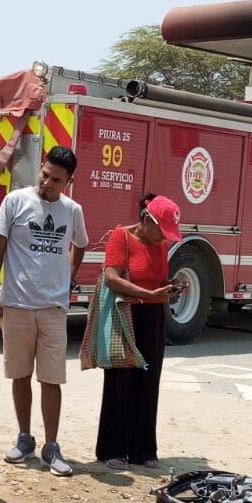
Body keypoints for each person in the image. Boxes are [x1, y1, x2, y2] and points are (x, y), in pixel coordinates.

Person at [0, 147, 88, 477]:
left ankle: (51, 446)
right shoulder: (14, 202)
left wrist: (67, 279)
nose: (46, 182)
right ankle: (24, 438)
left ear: (68, 182)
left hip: (53, 309)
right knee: (20, 375)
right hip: (16, 305)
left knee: (51, 378)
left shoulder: (73, 211)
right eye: (44, 174)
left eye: (55, 179)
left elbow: (81, 245)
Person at [95, 193, 181, 468]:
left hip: (153, 315)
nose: (163, 238)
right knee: (120, 379)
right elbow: (112, 278)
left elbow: (155, 278)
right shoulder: (121, 237)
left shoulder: (160, 243)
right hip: (126, 314)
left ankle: (143, 449)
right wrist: (147, 293)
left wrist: (172, 286)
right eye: (162, 230)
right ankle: (113, 449)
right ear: (147, 219)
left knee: (148, 379)